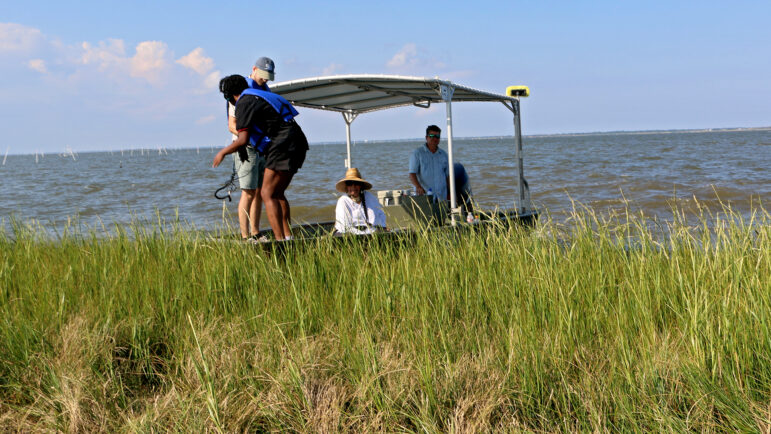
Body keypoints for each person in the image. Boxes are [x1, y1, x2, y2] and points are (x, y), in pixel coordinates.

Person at [213, 74, 309, 241]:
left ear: (229, 95)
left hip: (282, 143)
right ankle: (288, 237)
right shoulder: (259, 95)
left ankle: (280, 242)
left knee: (266, 193)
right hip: (298, 141)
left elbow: (242, 140)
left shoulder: (243, 102)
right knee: (278, 193)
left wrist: (222, 152)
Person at [225, 57, 276, 241]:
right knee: (248, 191)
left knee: (260, 191)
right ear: (254, 69)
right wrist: (249, 137)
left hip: (264, 148)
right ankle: (245, 236)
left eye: (268, 76)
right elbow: (231, 125)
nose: (265, 79)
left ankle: (256, 232)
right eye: (263, 75)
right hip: (246, 148)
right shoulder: (239, 90)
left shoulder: (265, 89)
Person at [334, 168, 386, 235]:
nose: (353, 187)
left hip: (369, 232)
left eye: (356, 183)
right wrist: (362, 235)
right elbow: (344, 227)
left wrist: (380, 229)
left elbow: (380, 217)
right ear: (347, 187)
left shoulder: (370, 197)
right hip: (348, 234)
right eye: (350, 184)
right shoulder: (343, 201)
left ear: (361, 185)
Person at [408, 125, 449, 202]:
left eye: (437, 136)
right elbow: (412, 173)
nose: (434, 138)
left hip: (442, 196)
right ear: (426, 137)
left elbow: (447, 176)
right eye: (431, 136)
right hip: (425, 196)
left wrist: (450, 192)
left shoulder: (444, 155)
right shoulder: (417, 153)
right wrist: (418, 187)